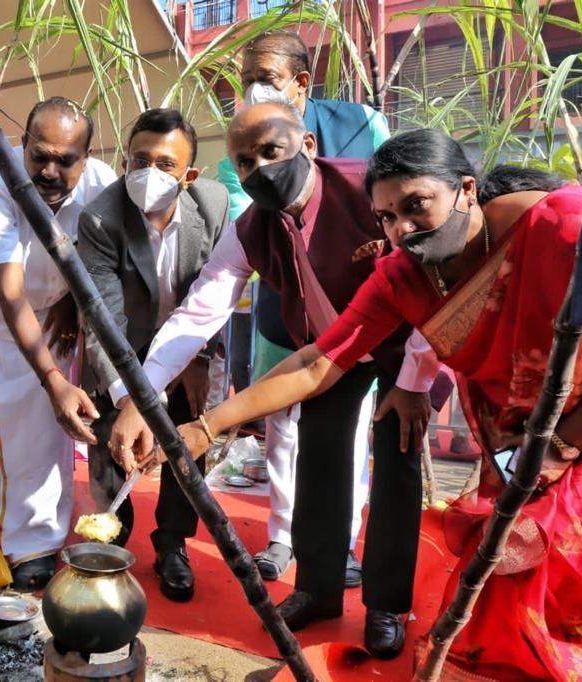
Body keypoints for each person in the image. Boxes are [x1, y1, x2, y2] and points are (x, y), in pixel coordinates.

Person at [143, 131, 582, 679]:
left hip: (581, 438)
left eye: (415, 207)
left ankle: (390, 607)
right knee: (511, 597)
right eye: (386, 217)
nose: (401, 229)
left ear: (466, 190)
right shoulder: (403, 276)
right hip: (513, 444)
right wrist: (208, 424)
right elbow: (318, 362)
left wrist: (563, 442)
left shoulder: (566, 226)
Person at [109, 100, 437, 659]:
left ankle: (386, 603)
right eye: (243, 161)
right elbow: (199, 312)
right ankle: (318, 588)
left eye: (270, 152)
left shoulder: (370, 191)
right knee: (319, 459)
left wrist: (412, 381)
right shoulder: (251, 228)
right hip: (328, 353)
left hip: (410, 342)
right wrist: (138, 399)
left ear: (308, 146)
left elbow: (435, 276)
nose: (258, 169)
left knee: (397, 457)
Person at [217, 30, 415, 584]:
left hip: (374, 314)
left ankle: (355, 553)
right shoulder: (244, 142)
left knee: (363, 436)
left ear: (301, 82)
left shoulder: (360, 126)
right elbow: (245, 218)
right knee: (288, 426)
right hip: (289, 302)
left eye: (265, 78)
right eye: (246, 81)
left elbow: (391, 201)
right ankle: (288, 542)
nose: (253, 90)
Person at [0, 97, 117, 590]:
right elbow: (10, 295)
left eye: (64, 160)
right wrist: (53, 378)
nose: (48, 171)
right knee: (6, 439)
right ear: (22, 145)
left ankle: (46, 537)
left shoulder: (101, 184)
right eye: (38, 156)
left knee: (51, 439)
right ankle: (16, 546)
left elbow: (97, 257)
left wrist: (71, 303)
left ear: (86, 158)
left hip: (55, 317)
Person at [79, 108, 229, 602]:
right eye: (139, 159)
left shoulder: (213, 204)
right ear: (125, 163)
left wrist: (202, 360)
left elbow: (218, 288)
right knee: (111, 444)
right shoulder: (101, 216)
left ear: (188, 176)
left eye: (165, 164)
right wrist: (128, 400)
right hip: (122, 343)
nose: (149, 172)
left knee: (186, 447)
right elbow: (101, 314)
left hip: (186, 343)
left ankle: (172, 546)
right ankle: (111, 538)